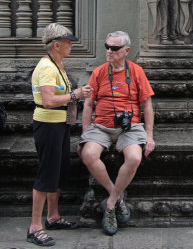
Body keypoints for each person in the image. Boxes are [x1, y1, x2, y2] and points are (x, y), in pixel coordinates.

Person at [78, 31, 155, 236]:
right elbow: (88, 105)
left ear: (126, 51)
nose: (108, 51)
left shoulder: (137, 72)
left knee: (134, 157)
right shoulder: (99, 72)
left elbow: (147, 105)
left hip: (129, 127)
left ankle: (110, 203)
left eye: (114, 48)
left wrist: (149, 136)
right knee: (88, 154)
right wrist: (85, 132)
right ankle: (118, 197)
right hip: (101, 126)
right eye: (107, 46)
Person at [27, 23, 93, 246]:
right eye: (68, 42)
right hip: (48, 126)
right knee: (46, 174)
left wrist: (74, 98)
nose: (71, 46)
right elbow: (48, 100)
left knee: (57, 172)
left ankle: (53, 216)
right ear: (56, 44)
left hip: (59, 125)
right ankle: (35, 227)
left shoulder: (58, 65)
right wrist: (76, 94)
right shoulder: (47, 68)